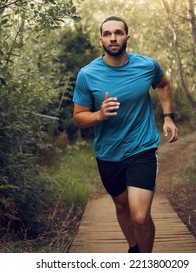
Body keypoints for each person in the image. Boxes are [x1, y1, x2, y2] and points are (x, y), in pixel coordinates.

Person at [72, 16, 178, 253]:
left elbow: (163, 85)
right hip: (108, 153)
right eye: (107, 34)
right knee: (122, 206)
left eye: (118, 33)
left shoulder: (147, 66)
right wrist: (99, 115)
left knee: (140, 217)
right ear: (101, 39)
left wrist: (168, 117)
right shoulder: (87, 75)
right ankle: (134, 248)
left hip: (142, 149)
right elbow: (79, 116)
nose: (113, 38)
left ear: (127, 38)